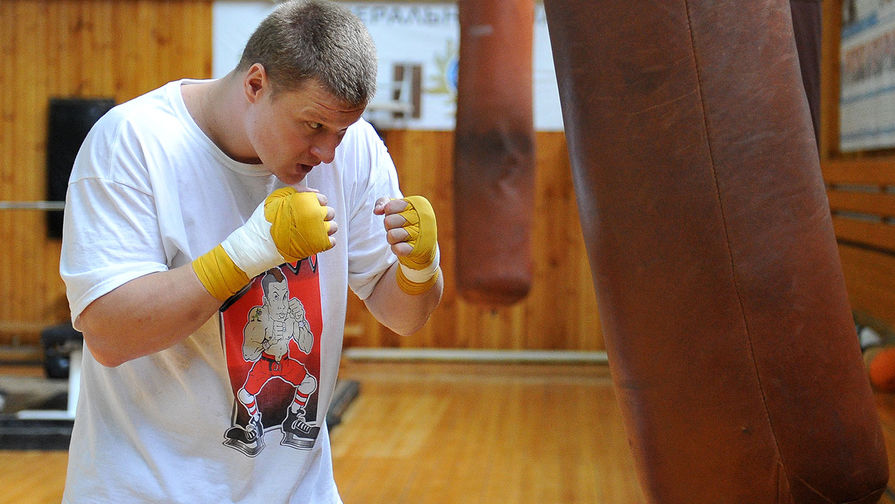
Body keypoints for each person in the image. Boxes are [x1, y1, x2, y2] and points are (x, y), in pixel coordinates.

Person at [58, 1, 443, 502]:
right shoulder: (133, 143)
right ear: (255, 85)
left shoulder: (354, 149)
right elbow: (109, 336)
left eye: (341, 131)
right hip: (147, 488)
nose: (327, 152)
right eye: (312, 126)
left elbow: (402, 316)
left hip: (299, 490)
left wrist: (420, 268)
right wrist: (243, 255)